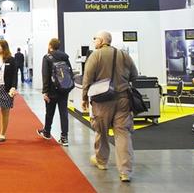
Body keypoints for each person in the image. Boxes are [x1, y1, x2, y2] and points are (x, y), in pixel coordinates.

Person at [82, 31, 138, 183]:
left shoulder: (95, 55)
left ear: (101, 41)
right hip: (123, 99)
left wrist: (84, 97)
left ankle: (102, 161)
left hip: (102, 100)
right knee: (123, 133)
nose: (94, 41)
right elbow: (134, 75)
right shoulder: (124, 55)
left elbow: (87, 78)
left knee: (101, 130)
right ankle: (125, 171)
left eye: (95, 39)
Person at [37, 38, 73, 146]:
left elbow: (45, 75)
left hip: (52, 90)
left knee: (49, 112)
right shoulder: (65, 56)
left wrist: (45, 91)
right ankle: (64, 137)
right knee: (64, 113)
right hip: (64, 89)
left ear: (50, 46)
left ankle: (47, 132)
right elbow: (70, 72)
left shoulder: (47, 57)